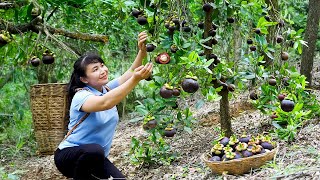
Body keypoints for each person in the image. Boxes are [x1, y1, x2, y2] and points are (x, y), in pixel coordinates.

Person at [54, 31, 152, 180]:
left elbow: (129, 73)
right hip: (69, 157)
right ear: (84, 79)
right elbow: (105, 103)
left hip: (96, 158)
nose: (102, 71)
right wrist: (135, 80)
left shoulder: (106, 89)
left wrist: (142, 51)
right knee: (95, 150)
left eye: (102, 65)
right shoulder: (81, 96)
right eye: (95, 69)